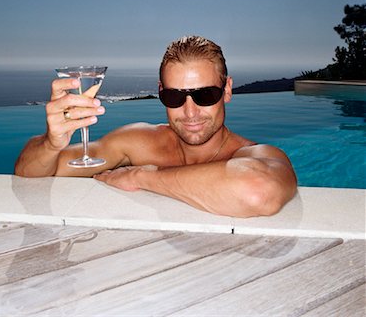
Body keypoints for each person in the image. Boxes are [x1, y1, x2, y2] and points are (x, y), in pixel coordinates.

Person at [15, 36, 297, 217]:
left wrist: (143, 176)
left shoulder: (255, 155)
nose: (190, 112)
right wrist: (52, 143)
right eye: (174, 96)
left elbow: (258, 190)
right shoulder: (139, 141)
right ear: (161, 92)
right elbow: (31, 172)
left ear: (227, 90)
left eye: (205, 95)